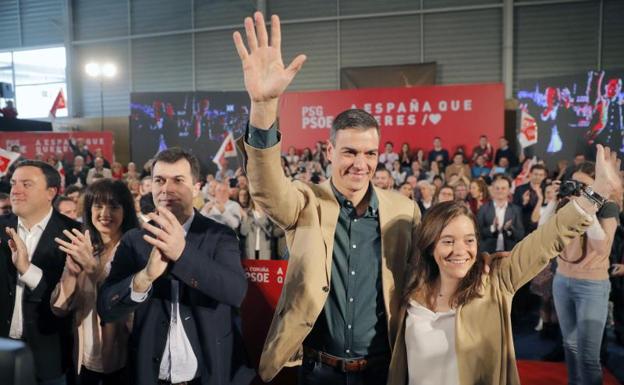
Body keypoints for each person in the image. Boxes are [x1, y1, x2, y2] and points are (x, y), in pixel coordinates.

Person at [233, 12, 420, 384]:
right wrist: (264, 107)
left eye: (369, 154)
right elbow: (266, 188)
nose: (360, 164)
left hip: (382, 370)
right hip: (318, 370)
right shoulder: (306, 202)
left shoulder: (404, 210)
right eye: (350, 152)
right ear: (329, 151)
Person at [387, 144, 622, 385]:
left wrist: (596, 192)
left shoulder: (495, 282)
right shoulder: (408, 289)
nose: (461, 251)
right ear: (430, 244)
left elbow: (547, 239)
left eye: (469, 240)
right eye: (448, 241)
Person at [97, 148, 253, 385]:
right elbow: (107, 307)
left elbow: (235, 292)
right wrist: (144, 278)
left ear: (196, 187)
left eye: (178, 180)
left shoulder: (219, 235)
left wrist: (182, 254)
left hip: (208, 373)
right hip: (150, 374)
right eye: (159, 180)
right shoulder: (135, 240)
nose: (166, 188)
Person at [51, 179, 139, 384]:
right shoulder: (82, 246)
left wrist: (93, 271)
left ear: (126, 211)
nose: (105, 214)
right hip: (84, 356)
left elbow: (128, 307)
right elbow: (59, 309)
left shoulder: (136, 250)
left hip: (124, 358)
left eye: (114, 207)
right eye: (98, 206)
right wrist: (71, 275)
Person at [0, 160, 80, 384]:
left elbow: (69, 300)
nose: (15, 190)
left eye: (26, 184)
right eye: (14, 183)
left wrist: (27, 270)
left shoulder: (73, 235)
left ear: (51, 192)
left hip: (48, 356)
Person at [551, 161, 620, 385]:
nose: (579, 190)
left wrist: (587, 206)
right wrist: (552, 202)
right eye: (575, 184)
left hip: (592, 285)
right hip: (562, 279)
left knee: (589, 357)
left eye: (585, 186)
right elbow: (544, 231)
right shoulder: (566, 203)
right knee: (569, 345)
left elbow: (603, 248)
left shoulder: (607, 206)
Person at [477, 174, 525, 253]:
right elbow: (478, 233)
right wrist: (493, 228)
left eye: (503, 188)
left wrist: (510, 229)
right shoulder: (483, 209)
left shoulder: (516, 210)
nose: (500, 191)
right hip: (488, 253)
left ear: (509, 190)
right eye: (497, 188)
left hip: (509, 253)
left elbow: (521, 234)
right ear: (492, 190)